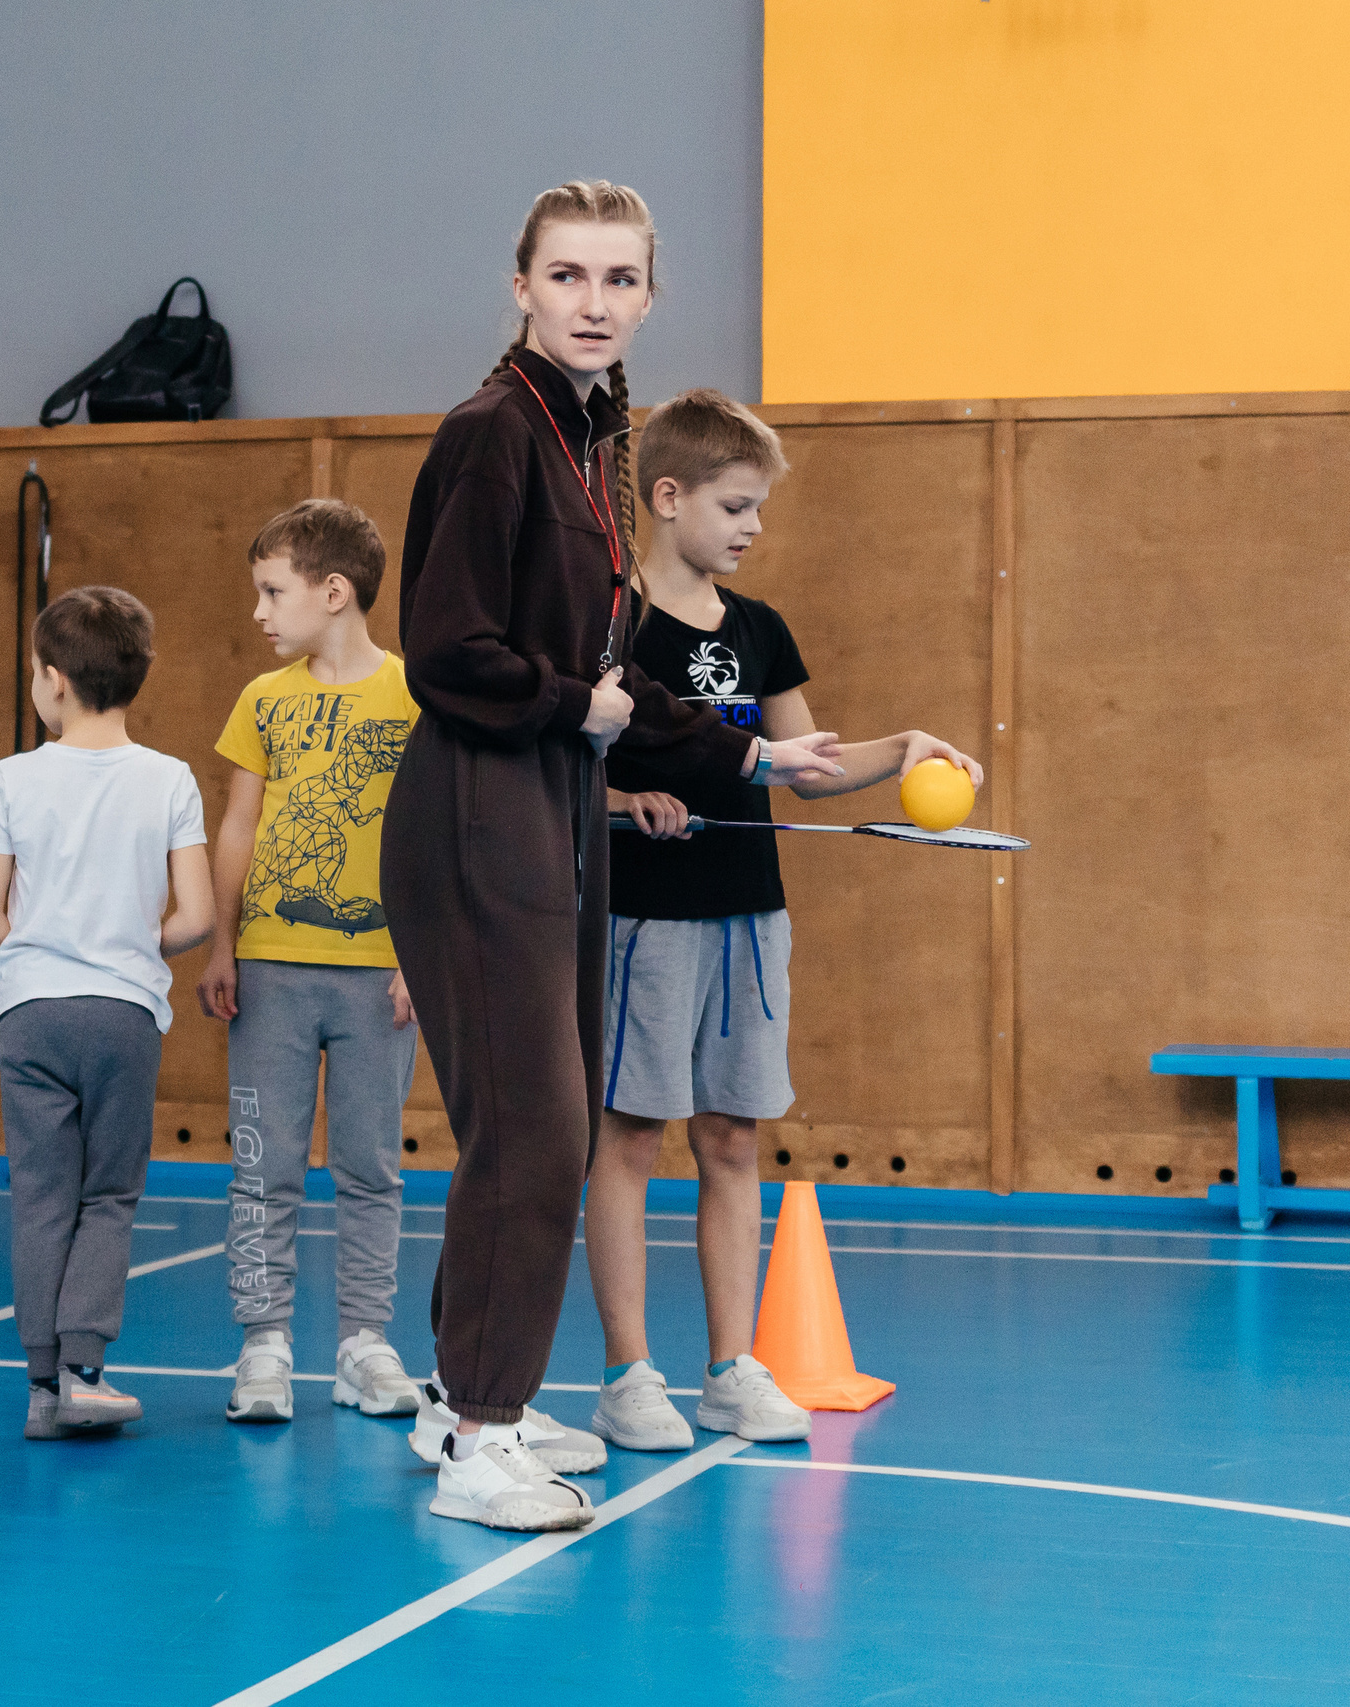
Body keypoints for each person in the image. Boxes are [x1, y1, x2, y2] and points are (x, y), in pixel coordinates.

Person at [379, 180, 848, 1531]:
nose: (594, 301)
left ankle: (463, 1396)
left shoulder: (594, 437)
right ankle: (479, 1431)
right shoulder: (492, 434)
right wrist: (564, 704)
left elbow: (621, 671)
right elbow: (452, 648)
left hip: (552, 800)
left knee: (531, 1123)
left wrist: (749, 754)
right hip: (479, 797)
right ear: (519, 286)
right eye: (568, 275)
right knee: (534, 1124)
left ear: (648, 294)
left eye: (619, 279)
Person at [587, 390, 981, 1449]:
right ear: (666, 499)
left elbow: (804, 771)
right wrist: (623, 805)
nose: (752, 526)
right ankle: (628, 1375)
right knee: (628, 1143)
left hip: (751, 918)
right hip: (643, 923)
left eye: (757, 507)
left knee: (731, 1139)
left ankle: (729, 1368)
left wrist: (899, 749)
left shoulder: (760, 631)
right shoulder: (608, 622)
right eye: (733, 505)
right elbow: (549, 774)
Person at [195, 499, 430, 1426]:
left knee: (372, 1164)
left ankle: (364, 1342)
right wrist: (223, 940)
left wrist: (422, 955)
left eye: (271, 590)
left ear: (334, 592)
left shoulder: (414, 699)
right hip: (272, 970)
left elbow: (431, 838)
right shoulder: (264, 698)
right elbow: (239, 826)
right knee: (265, 1166)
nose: (259, 611)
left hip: (379, 974)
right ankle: (263, 1344)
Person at [0, 587, 212, 1439]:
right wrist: (132, 944)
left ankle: (41, 1387)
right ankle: (84, 1371)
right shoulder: (170, 778)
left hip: (30, 1010)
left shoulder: (12, 776)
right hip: (122, 1013)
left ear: (52, 680)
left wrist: (32, 951)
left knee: (40, 1194)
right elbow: (197, 916)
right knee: (107, 1196)